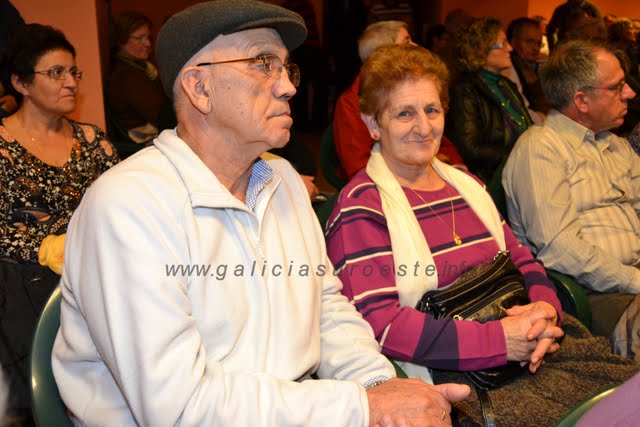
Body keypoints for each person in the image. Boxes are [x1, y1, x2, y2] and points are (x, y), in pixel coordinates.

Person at [52, 1, 470, 425]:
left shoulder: (282, 180)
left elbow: (326, 310)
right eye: (263, 64)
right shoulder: (128, 207)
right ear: (200, 88)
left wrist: (379, 387)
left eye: (286, 68)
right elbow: (178, 408)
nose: (287, 86)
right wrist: (363, 407)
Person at [325, 42, 638, 427]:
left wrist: (545, 309)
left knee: (628, 395)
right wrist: (499, 341)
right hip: (458, 378)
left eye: (432, 110)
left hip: (529, 346)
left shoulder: (466, 185)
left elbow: (522, 259)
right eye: (404, 113)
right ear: (373, 124)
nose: (423, 127)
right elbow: (382, 325)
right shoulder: (362, 208)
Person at [0, 23, 118, 420]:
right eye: (55, 73)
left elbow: (123, 209)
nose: (70, 82)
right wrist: (44, 247)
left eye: (73, 71)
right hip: (22, 283)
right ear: (21, 83)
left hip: (92, 270)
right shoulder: (2, 146)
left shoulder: (94, 141)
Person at [502, 39, 640, 360]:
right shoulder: (541, 148)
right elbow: (561, 249)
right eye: (617, 87)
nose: (630, 93)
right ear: (582, 100)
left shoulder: (616, 145)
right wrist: (635, 279)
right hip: (592, 294)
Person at [333, 20, 464, 181]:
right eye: (406, 42)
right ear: (383, 55)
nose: (415, 46)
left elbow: (440, 141)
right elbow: (358, 168)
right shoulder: (350, 103)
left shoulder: (416, 91)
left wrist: (456, 167)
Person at [446, 17, 533, 184]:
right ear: (481, 50)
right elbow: (469, 148)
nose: (510, 48)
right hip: (490, 178)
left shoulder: (507, 85)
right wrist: (517, 156)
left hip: (520, 170)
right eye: (503, 43)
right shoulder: (465, 89)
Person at [107, 11, 169, 153]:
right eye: (140, 38)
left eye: (148, 37)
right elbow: (160, 116)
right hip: (143, 147)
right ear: (121, 40)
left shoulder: (142, 68)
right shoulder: (126, 75)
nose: (147, 43)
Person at [506, 17, 550, 115]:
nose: (535, 48)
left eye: (539, 43)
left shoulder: (538, 67)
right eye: (529, 41)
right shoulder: (507, 68)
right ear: (513, 42)